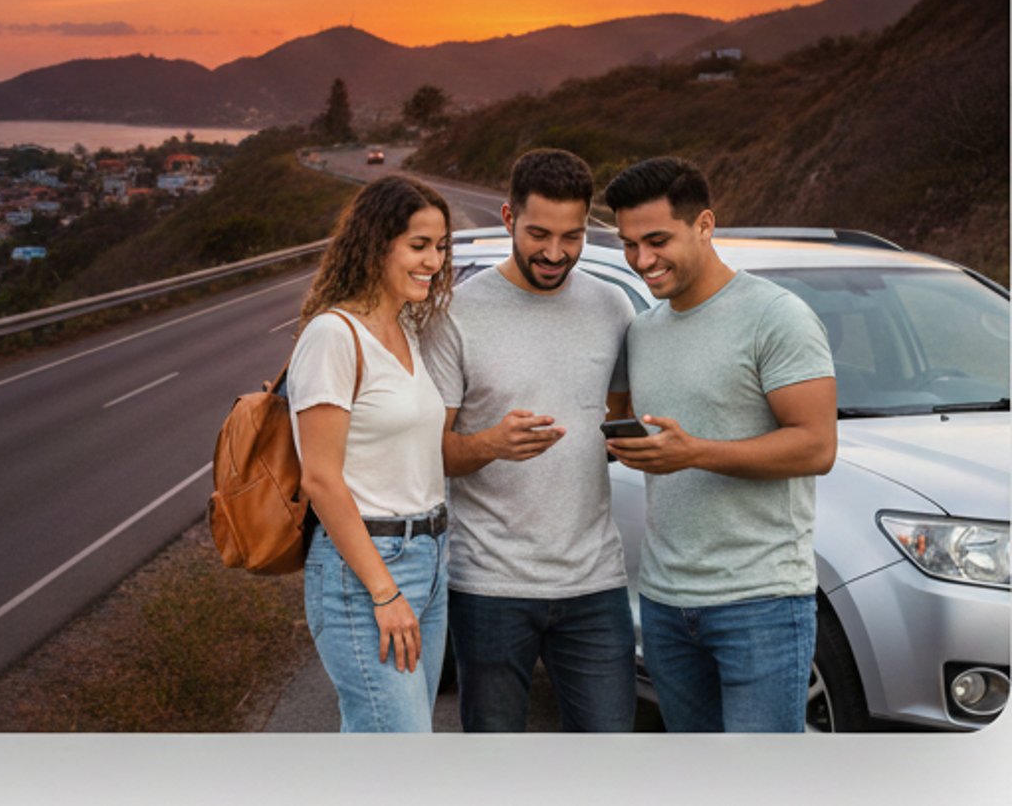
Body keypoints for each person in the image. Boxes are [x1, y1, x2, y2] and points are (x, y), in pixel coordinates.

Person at [602, 156, 837, 733]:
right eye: (630, 244)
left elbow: (815, 447)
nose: (642, 260)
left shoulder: (776, 317)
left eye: (657, 240)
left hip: (760, 601)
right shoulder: (644, 330)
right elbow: (628, 423)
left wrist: (695, 452)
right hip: (662, 602)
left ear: (704, 225)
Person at [421, 148, 637, 732]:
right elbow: (429, 453)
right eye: (539, 232)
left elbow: (618, 421)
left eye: (571, 236)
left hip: (596, 582)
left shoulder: (610, 306)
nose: (554, 252)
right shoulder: (456, 314)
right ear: (507, 217)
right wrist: (490, 443)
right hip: (489, 584)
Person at [288, 174, 455, 732]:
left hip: (430, 555)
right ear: (376, 243)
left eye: (440, 246)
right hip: (366, 569)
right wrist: (384, 592)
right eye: (418, 246)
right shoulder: (334, 335)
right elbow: (321, 480)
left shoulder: (407, 328)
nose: (433, 260)